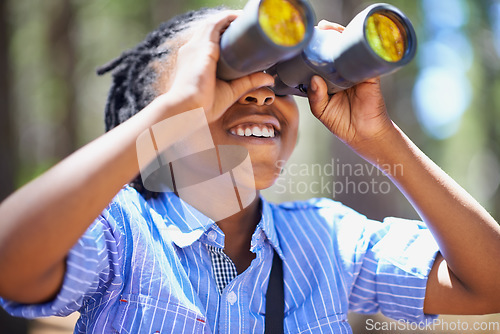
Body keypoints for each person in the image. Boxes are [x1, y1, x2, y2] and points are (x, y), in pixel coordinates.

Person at [0, 6, 500, 334]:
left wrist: (380, 137)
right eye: (223, 74)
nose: (260, 92)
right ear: (159, 109)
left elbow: (489, 283)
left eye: (282, 79)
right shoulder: (123, 237)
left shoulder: (328, 239)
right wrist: (176, 112)